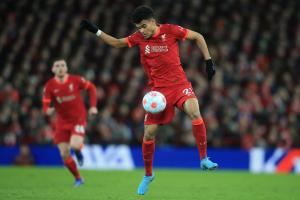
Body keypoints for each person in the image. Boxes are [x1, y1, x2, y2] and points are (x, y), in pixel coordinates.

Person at [81, 5, 218, 195]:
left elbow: (198, 37)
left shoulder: (171, 30)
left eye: (144, 26)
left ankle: (203, 159)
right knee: (148, 135)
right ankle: (147, 175)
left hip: (180, 86)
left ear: (153, 21)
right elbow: (116, 43)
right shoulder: (138, 38)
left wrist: (208, 61)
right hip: (159, 93)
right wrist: (95, 30)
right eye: (138, 28)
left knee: (195, 112)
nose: (141, 31)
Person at [42, 58, 98, 187]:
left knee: (75, 145)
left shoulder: (76, 80)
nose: (60, 68)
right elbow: (45, 104)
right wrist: (47, 110)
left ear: (66, 68)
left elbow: (92, 88)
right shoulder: (49, 86)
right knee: (64, 153)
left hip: (78, 118)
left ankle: (78, 152)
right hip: (61, 121)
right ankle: (79, 178)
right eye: (57, 66)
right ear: (53, 69)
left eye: (62, 65)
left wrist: (93, 106)